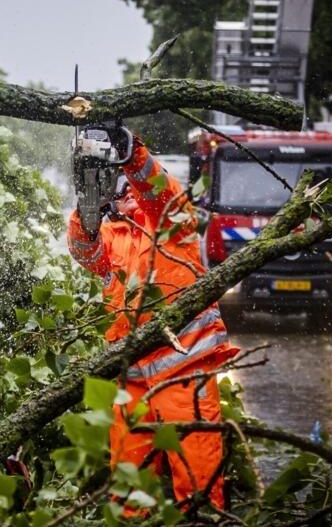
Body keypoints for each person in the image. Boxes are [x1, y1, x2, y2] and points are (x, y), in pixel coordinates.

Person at [67, 127, 238, 511]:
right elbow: (83, 250)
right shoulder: (109, 236)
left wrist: (131, 154)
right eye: (119, 186)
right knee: (128, 492)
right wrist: (86, 207)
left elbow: (161, 190)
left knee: (198, 487)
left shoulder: (173, 222)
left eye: (131, 185)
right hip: (131, 381)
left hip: (185, 372)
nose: (126, 191)